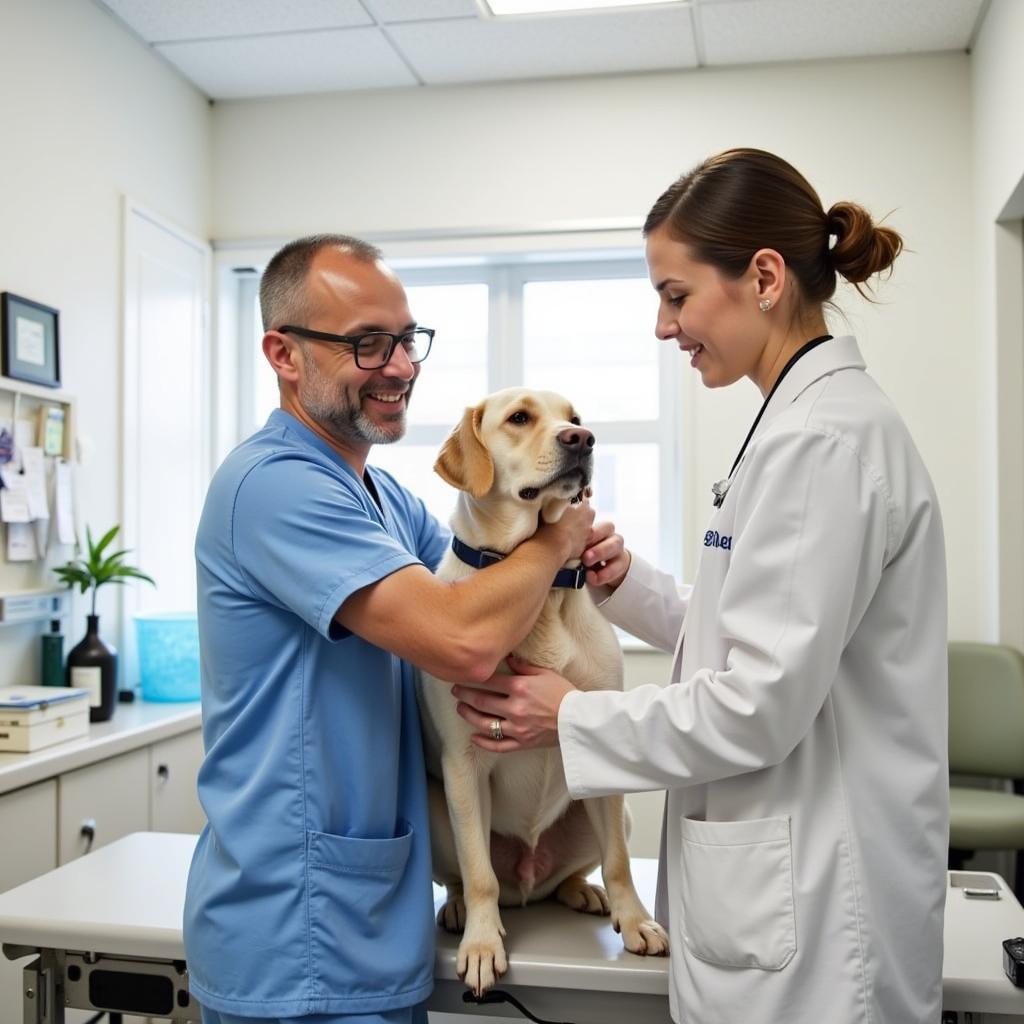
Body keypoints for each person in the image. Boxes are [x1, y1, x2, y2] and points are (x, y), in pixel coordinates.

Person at [450, 149, 949, 1024]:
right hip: (776, 892)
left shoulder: (820, 443)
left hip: (820, 921)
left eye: (675, 296)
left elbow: (757, 702)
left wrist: (568, 715)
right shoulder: (793, 426)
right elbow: (752, 633)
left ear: (762, 277)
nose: (662, 326)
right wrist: (629, 584)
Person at [182, 233, 595, 1024]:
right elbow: (464, 638)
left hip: (373, 921)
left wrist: (564, 538)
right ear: (284, 354)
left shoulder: (380, 498)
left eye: (407, 341)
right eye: (368, 344)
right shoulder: (277, 488)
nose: (401, 366)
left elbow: (490, 584)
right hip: (296, 928)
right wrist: (557, 540)